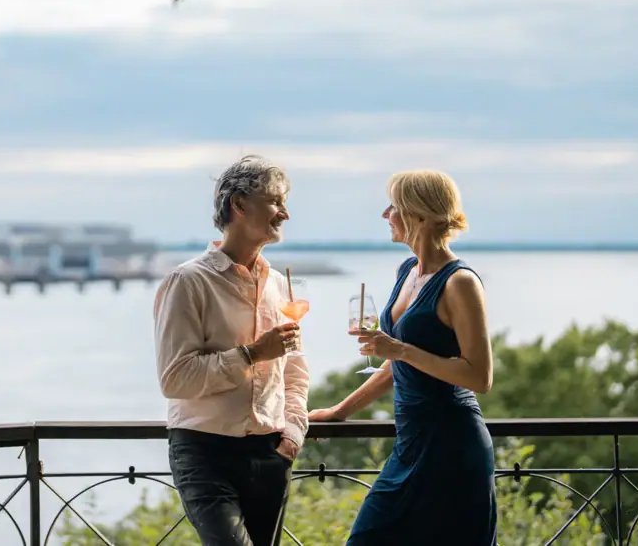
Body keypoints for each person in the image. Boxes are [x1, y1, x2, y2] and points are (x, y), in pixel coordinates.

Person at [308, 169, 496, 545]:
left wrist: (400, 349)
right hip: (410, 445)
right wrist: (340, 411)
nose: (385, 215)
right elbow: (398, 365)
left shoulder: (461, 282)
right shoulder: (407, 270)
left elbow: (480, 376)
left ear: (419, 215)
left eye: (392, 206)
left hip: (453, 446)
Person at [154, 155, 311, 546]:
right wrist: (252, 354)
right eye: (276, 201)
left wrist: (293, 431)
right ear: (238, 205)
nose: (285, 213)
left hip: (270, 450)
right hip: (205, 452)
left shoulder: (278, 284)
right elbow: (175, 380)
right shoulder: (188, 282)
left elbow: (295, 370)